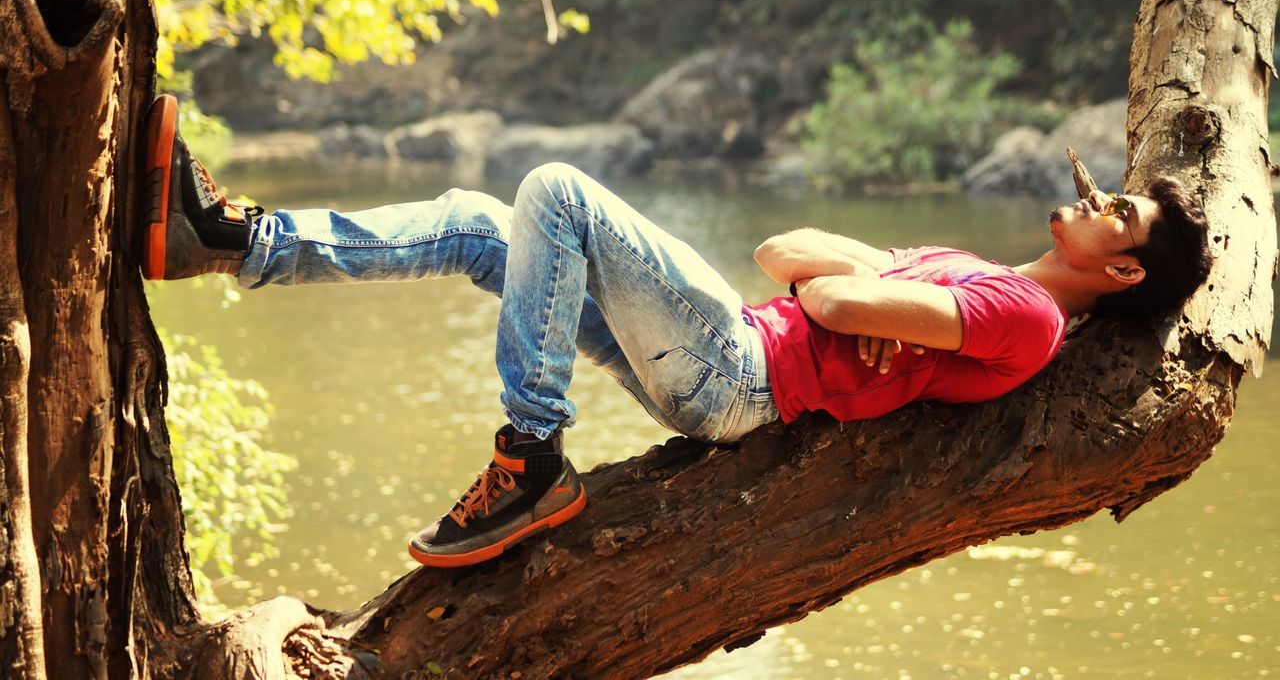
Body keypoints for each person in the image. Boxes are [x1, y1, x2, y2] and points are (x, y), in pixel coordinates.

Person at [140, 95, 1213, 568]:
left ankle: (528, 457)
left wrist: (867, 295)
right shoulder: (981, 277)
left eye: (1119, 213)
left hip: (741, 372)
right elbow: (782, 254)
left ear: (1116, 270)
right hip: (731, 340)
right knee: (485, 223)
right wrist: (885, 277)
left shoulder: (1022, 315)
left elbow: (826, 305)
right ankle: (234, 240)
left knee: (554, 188)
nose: (1098, 199)